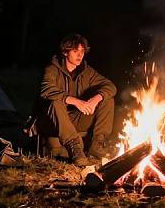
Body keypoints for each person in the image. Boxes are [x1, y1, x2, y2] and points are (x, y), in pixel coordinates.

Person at [36, 34, 117, 166]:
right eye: (75, 51)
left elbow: (110, 86)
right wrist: (75, 101)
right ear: (65, 52)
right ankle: (75, 147)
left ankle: (97, 145)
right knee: (55, 102)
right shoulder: (52, 69)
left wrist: (96, 98)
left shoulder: (87, 72)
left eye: (82, 51)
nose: (80, 55)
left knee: (107, 99)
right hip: (53, 120)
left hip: (75, 118)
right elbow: (46, 89)